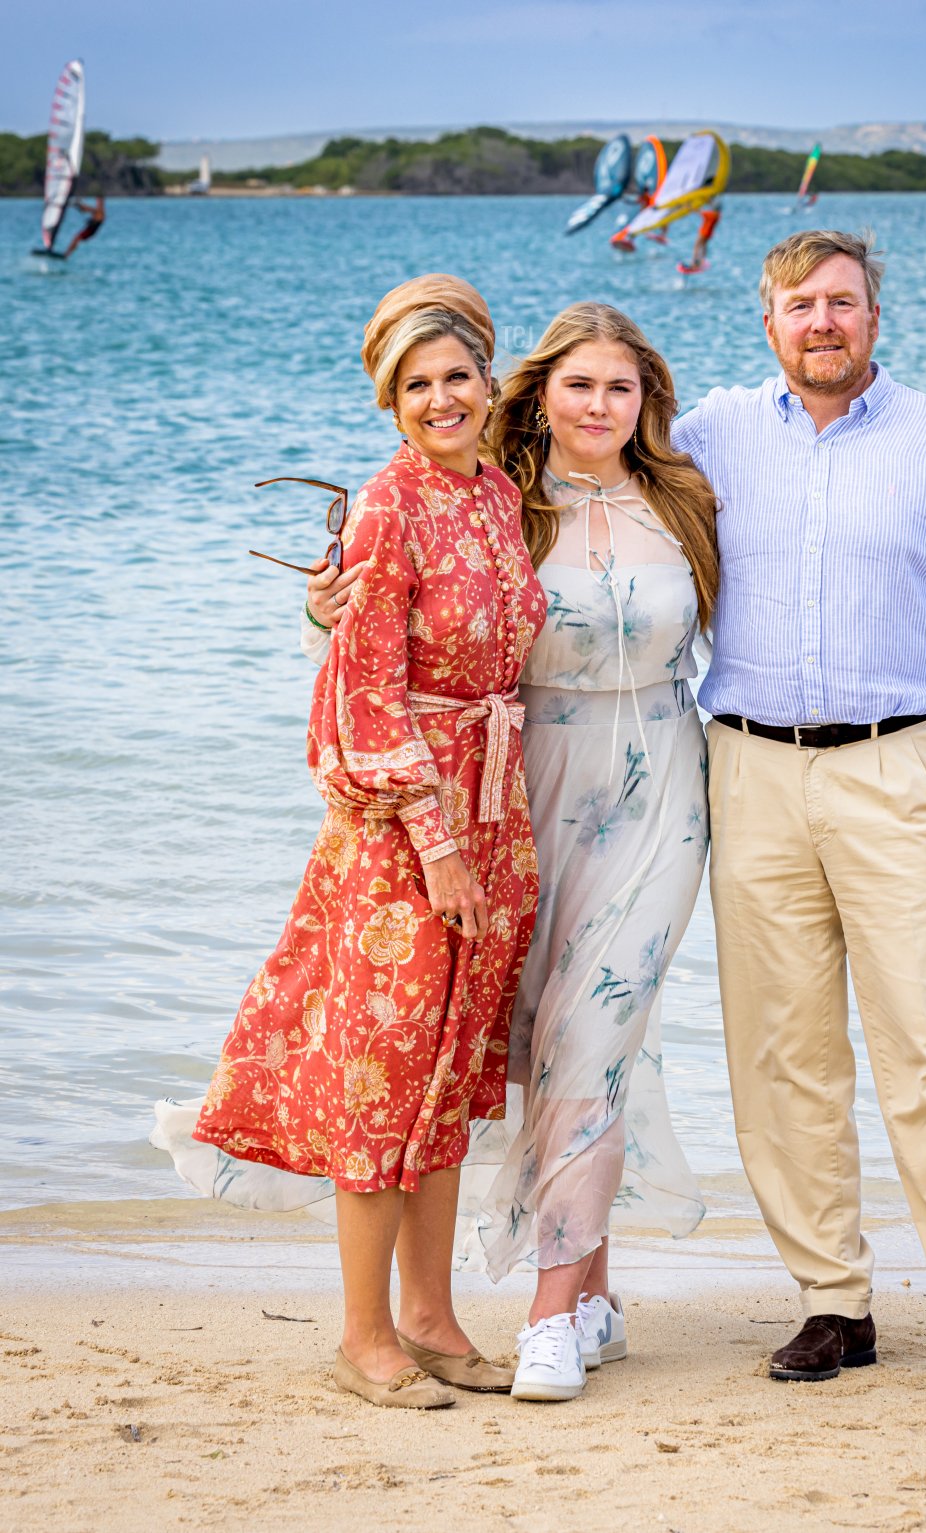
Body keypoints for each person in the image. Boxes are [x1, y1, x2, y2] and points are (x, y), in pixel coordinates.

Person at [671, 228, 926, 1400]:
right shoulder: (707, 439)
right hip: (744, 771)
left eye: (842, 303)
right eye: (800, 306)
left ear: (874, 318)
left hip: (902, 773)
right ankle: (832, 1303)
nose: (822, 323)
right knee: (781, 1052)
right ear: (768, 322)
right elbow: (584, 503)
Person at [307, 304, 718, 1402]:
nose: (598, 406)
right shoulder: (500, 490)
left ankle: (547, 1311)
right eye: (577, 386)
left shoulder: (683, 496)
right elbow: (383, 626)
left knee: (595, 1032)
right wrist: (325, 603)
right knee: (522, 1045)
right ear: (539, 395)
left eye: (620, 388)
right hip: (513, 793)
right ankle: (578, 1299)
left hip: (659, 790)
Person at [156, 274, 547, 1409]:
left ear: (488, 379)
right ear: (390, 400)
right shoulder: (387, 507)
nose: (440, 399)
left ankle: (433, 1317)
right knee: (379, 1079)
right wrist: (438, 841)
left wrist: (493, 833)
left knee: (447, 1081)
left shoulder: (494, 496)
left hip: (497, 814)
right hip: (401, 837)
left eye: (457, 377)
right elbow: (363, 693)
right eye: (415, 385)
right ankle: (366, 1334)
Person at [64, 194, 105, 258]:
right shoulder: (98, 211)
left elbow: (93, 213)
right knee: (76, 239)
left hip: (90, 231)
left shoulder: (100, 212)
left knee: (76, 238)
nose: (97, 203)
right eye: (97, 201)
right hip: (89, 230)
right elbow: (87, 210)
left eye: (99, 201)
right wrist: (79, 206)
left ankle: (67, 254)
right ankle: (67, 254)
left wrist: (79, 205)